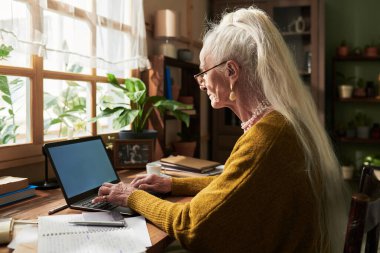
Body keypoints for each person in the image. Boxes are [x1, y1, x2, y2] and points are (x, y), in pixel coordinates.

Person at [93, 6, 348, 253]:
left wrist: (131, 196)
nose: (201, 83)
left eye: (204, 71)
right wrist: (172, 184)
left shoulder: (267, 137)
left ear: (231, 71)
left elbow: (193, 226)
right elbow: (234, 184)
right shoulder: (280, 123)